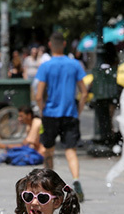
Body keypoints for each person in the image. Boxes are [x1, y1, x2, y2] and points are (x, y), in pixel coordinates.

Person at [35, 32, 88, 201]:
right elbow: (84, 92)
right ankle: (76, 181)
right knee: (70, 150)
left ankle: (48, 184)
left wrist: (42, 112)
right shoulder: (75, 65)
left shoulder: (45, 66)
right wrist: (77, 111)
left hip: (50, 113)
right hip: (70, 113)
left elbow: (38, 95)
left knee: (48, 150)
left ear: (50, 45)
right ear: (64, 44)